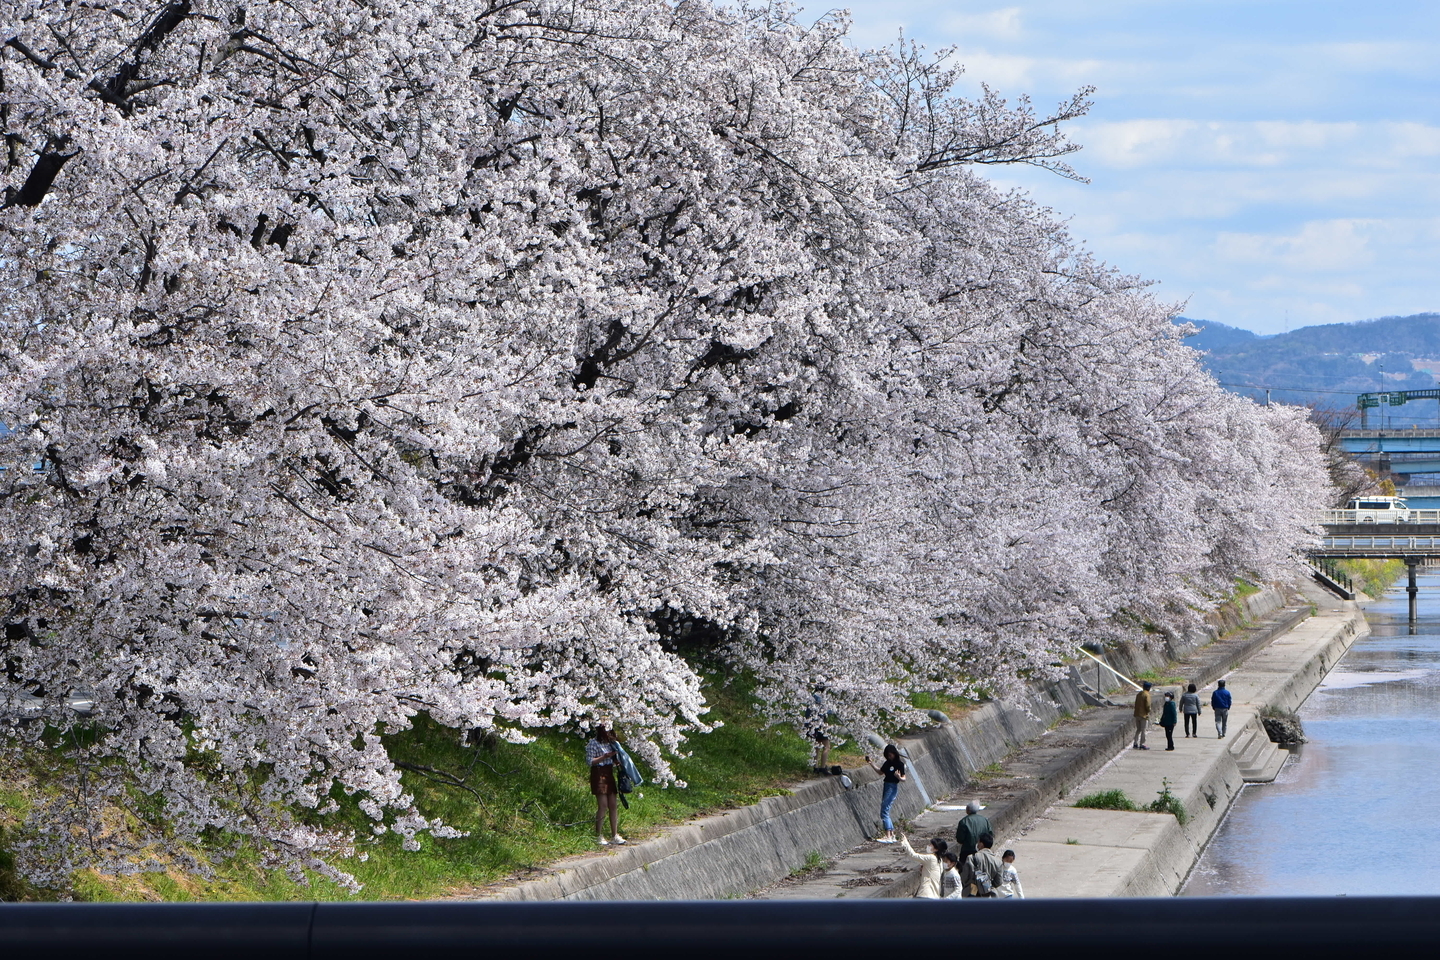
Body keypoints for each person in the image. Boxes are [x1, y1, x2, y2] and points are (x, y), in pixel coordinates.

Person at [586, 724, 626, 846]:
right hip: (598, 773)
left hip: (609, 772)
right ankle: (598, 835)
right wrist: (604, 756)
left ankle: (614, 834)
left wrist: (616, 761)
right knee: (603, 805)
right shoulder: (593, 743)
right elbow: (590, 761)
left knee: (613, 805)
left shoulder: (611, 743)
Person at [866, 744, 906, 843]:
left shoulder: (899, 764)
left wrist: (898, 777)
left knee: (884, 811)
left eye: (891, 754)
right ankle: (891, 834)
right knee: (885, 810)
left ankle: (888, 835)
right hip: (886, 785)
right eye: (888, 755)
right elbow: (880, 772)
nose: (889, 757)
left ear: (894, 753)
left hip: (892, 787)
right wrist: (871, 763)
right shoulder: (887, 763)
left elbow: (904, 778)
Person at [898, 834, 947, 898]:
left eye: (930, 845)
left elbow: (913, 855)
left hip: (926, 894)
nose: (928, 846)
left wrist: (905, 842)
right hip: (935, 895)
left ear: (936, 849)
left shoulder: (931, 858)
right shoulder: (940, 860)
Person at [961, 832, 1004, 898]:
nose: (977, 844)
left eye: (978, 842)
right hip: (988, 895)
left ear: (981, 844)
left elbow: (965, 877)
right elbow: (999, 882)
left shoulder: (971, 858)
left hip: (972, 894)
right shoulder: (998, 862)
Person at [954, 800, 992, 865]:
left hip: (967, 851)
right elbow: (990, 835)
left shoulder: (963, 821)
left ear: (968, 809)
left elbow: (960, 839)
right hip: (982, 851)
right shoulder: (985, 820)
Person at [804, 689, 831, 772]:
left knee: (816, 746)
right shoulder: (822, 698)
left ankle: (815, 767)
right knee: (826, 746)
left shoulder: (811, 697)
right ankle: (823, 767)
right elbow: (828, 711)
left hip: (812, 725)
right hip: (821, 725)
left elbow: (807, 713)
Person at [1133, 681, 1153, 750]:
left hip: (1137, 714)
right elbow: (1148, 705)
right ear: (1149, 688)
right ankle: (1142, 744)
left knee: (1138, 729)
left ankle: (1135, 743)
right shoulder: (1147, 695)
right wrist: (1148, 711)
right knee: (1143, 730)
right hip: (1143, 715)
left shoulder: (1139, 694)